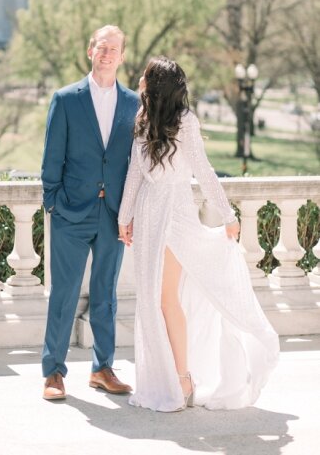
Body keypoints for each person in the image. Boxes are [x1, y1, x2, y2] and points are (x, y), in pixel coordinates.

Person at [117, 57, 278, 412]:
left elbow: (204, 171)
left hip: (175, 213)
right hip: (146, 214)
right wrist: (124, 217)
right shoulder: (142, 120)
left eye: (146, 75)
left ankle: (182, 378)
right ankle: (160, 380)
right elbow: (134, 173)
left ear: (156, 85)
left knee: (166, 298)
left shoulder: (186, 123)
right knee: (148, 299)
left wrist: (228, 214)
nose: (140, 79)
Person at [40, 24, 139, 401]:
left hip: (113, 215)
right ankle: (53, 373)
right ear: (90, 50)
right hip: (70, 213)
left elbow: (135, 163)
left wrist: (128, 213)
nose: (108, 53)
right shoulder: (65, 99)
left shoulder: (133, 103)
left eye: (115, 48)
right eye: (102, 46)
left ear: (122, 56)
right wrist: (54, 203)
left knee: (106, 295)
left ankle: (102, 368)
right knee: (63, 294)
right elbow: (52, 159)